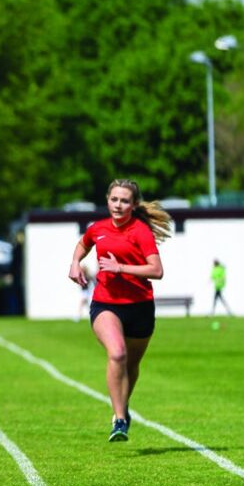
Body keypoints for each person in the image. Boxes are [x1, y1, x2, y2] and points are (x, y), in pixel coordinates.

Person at [68, 180, 169, 442]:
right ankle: (120, 419)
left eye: (124, 201)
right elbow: (83, 243)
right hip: (106, 303)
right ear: (107, 200)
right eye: (114, 199)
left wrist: (121, 268)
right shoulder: (98, 228)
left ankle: (123, 405)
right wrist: (75, 262)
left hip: (140, 306)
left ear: (133, 205)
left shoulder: (140, 232)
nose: (118, 205)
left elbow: (157, 270)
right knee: (117, 353)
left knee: (131, 364)